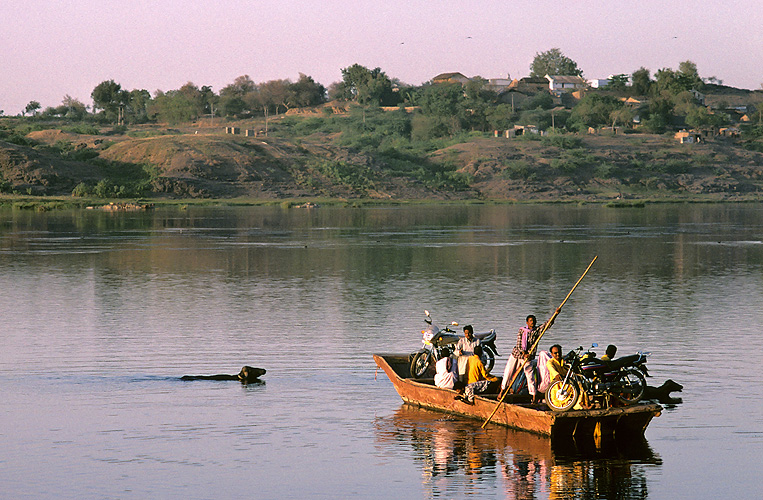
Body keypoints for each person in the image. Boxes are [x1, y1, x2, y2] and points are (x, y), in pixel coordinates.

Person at [501, 309, 560, 404]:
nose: (532, 322)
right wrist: (524, 353)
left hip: (528, 357)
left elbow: (547, 324)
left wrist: (556, 314)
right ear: (527, 322)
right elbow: (519, 344)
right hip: (517, 355)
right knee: (508, 371)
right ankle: (502, 391)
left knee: (530, 376)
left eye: (534, 321)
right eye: (531, 321)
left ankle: (533, 395)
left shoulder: (536, 331)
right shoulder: (522, 330)